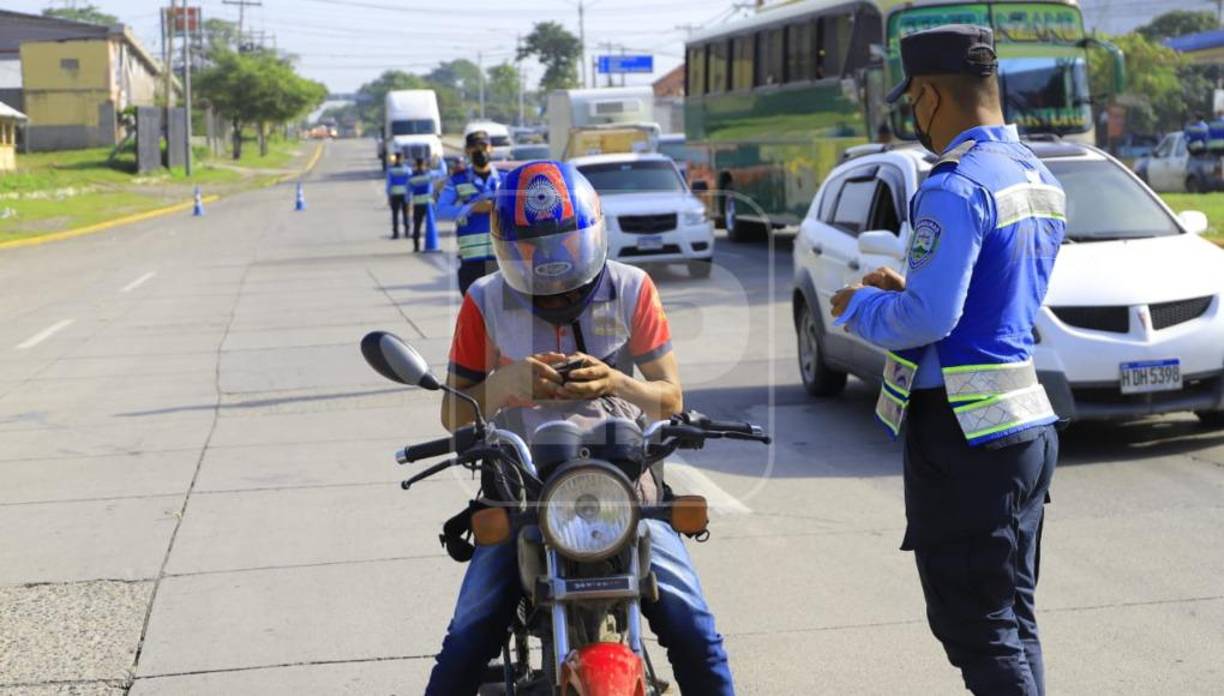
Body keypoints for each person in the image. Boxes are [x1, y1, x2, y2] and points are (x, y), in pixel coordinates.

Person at [427, 160, 734, 695]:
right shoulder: (484, 300)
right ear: (508, 249)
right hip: (523, 493)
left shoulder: (631, 287)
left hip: (623, 490)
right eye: (532, 249)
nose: (550, 262)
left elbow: (670, 398)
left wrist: (616, 382)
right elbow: (454, 414)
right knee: (467, 637)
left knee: (695, 630)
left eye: (564, 243)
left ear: (590, 234)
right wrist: (508, 383)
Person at [830, 25, 1065, 696]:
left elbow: (930, 320)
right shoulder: (1037, 176)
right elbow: (989, 297)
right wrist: (908, 291)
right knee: (1010, 617)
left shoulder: (953, 185)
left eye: (913, 101)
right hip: (1024, 424)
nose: (915, 115)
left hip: (964, 435)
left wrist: (859, 305)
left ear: (929, 96)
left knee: (978, 629)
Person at [437, 131, 501, 295]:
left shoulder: (505, 179)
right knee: (474, 310)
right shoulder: (457, 180)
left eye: (483, 146)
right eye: (474, 147)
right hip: (472, 262)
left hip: (502, 261)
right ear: (467, 151)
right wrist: (471, 208)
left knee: (504, 310)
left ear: (491, 148)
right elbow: (441, 211)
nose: (480, 151)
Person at [407, 157, 436, 252]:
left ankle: (416, 246)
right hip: (428, 204)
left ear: (416, 165)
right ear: (424, 165)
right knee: (430, 224)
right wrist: (439, 161)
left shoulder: (412, 177)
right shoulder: (429, 174)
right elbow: (443, 172)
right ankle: (431, 244)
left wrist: (408, 203)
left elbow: (408, 191)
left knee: (417, 225)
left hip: (417, 203)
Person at [384, 152, 411, 240]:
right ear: (402, 159)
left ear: (395, 158)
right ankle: (407, 232)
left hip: (394, 194)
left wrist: (388, 195)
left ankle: (396, 233)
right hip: (404, 195)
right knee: (406, 214)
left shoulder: (391, 170)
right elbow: (409, 183)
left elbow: (389, 184)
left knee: (395, 214)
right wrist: (409, 195)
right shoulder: (407, 169)